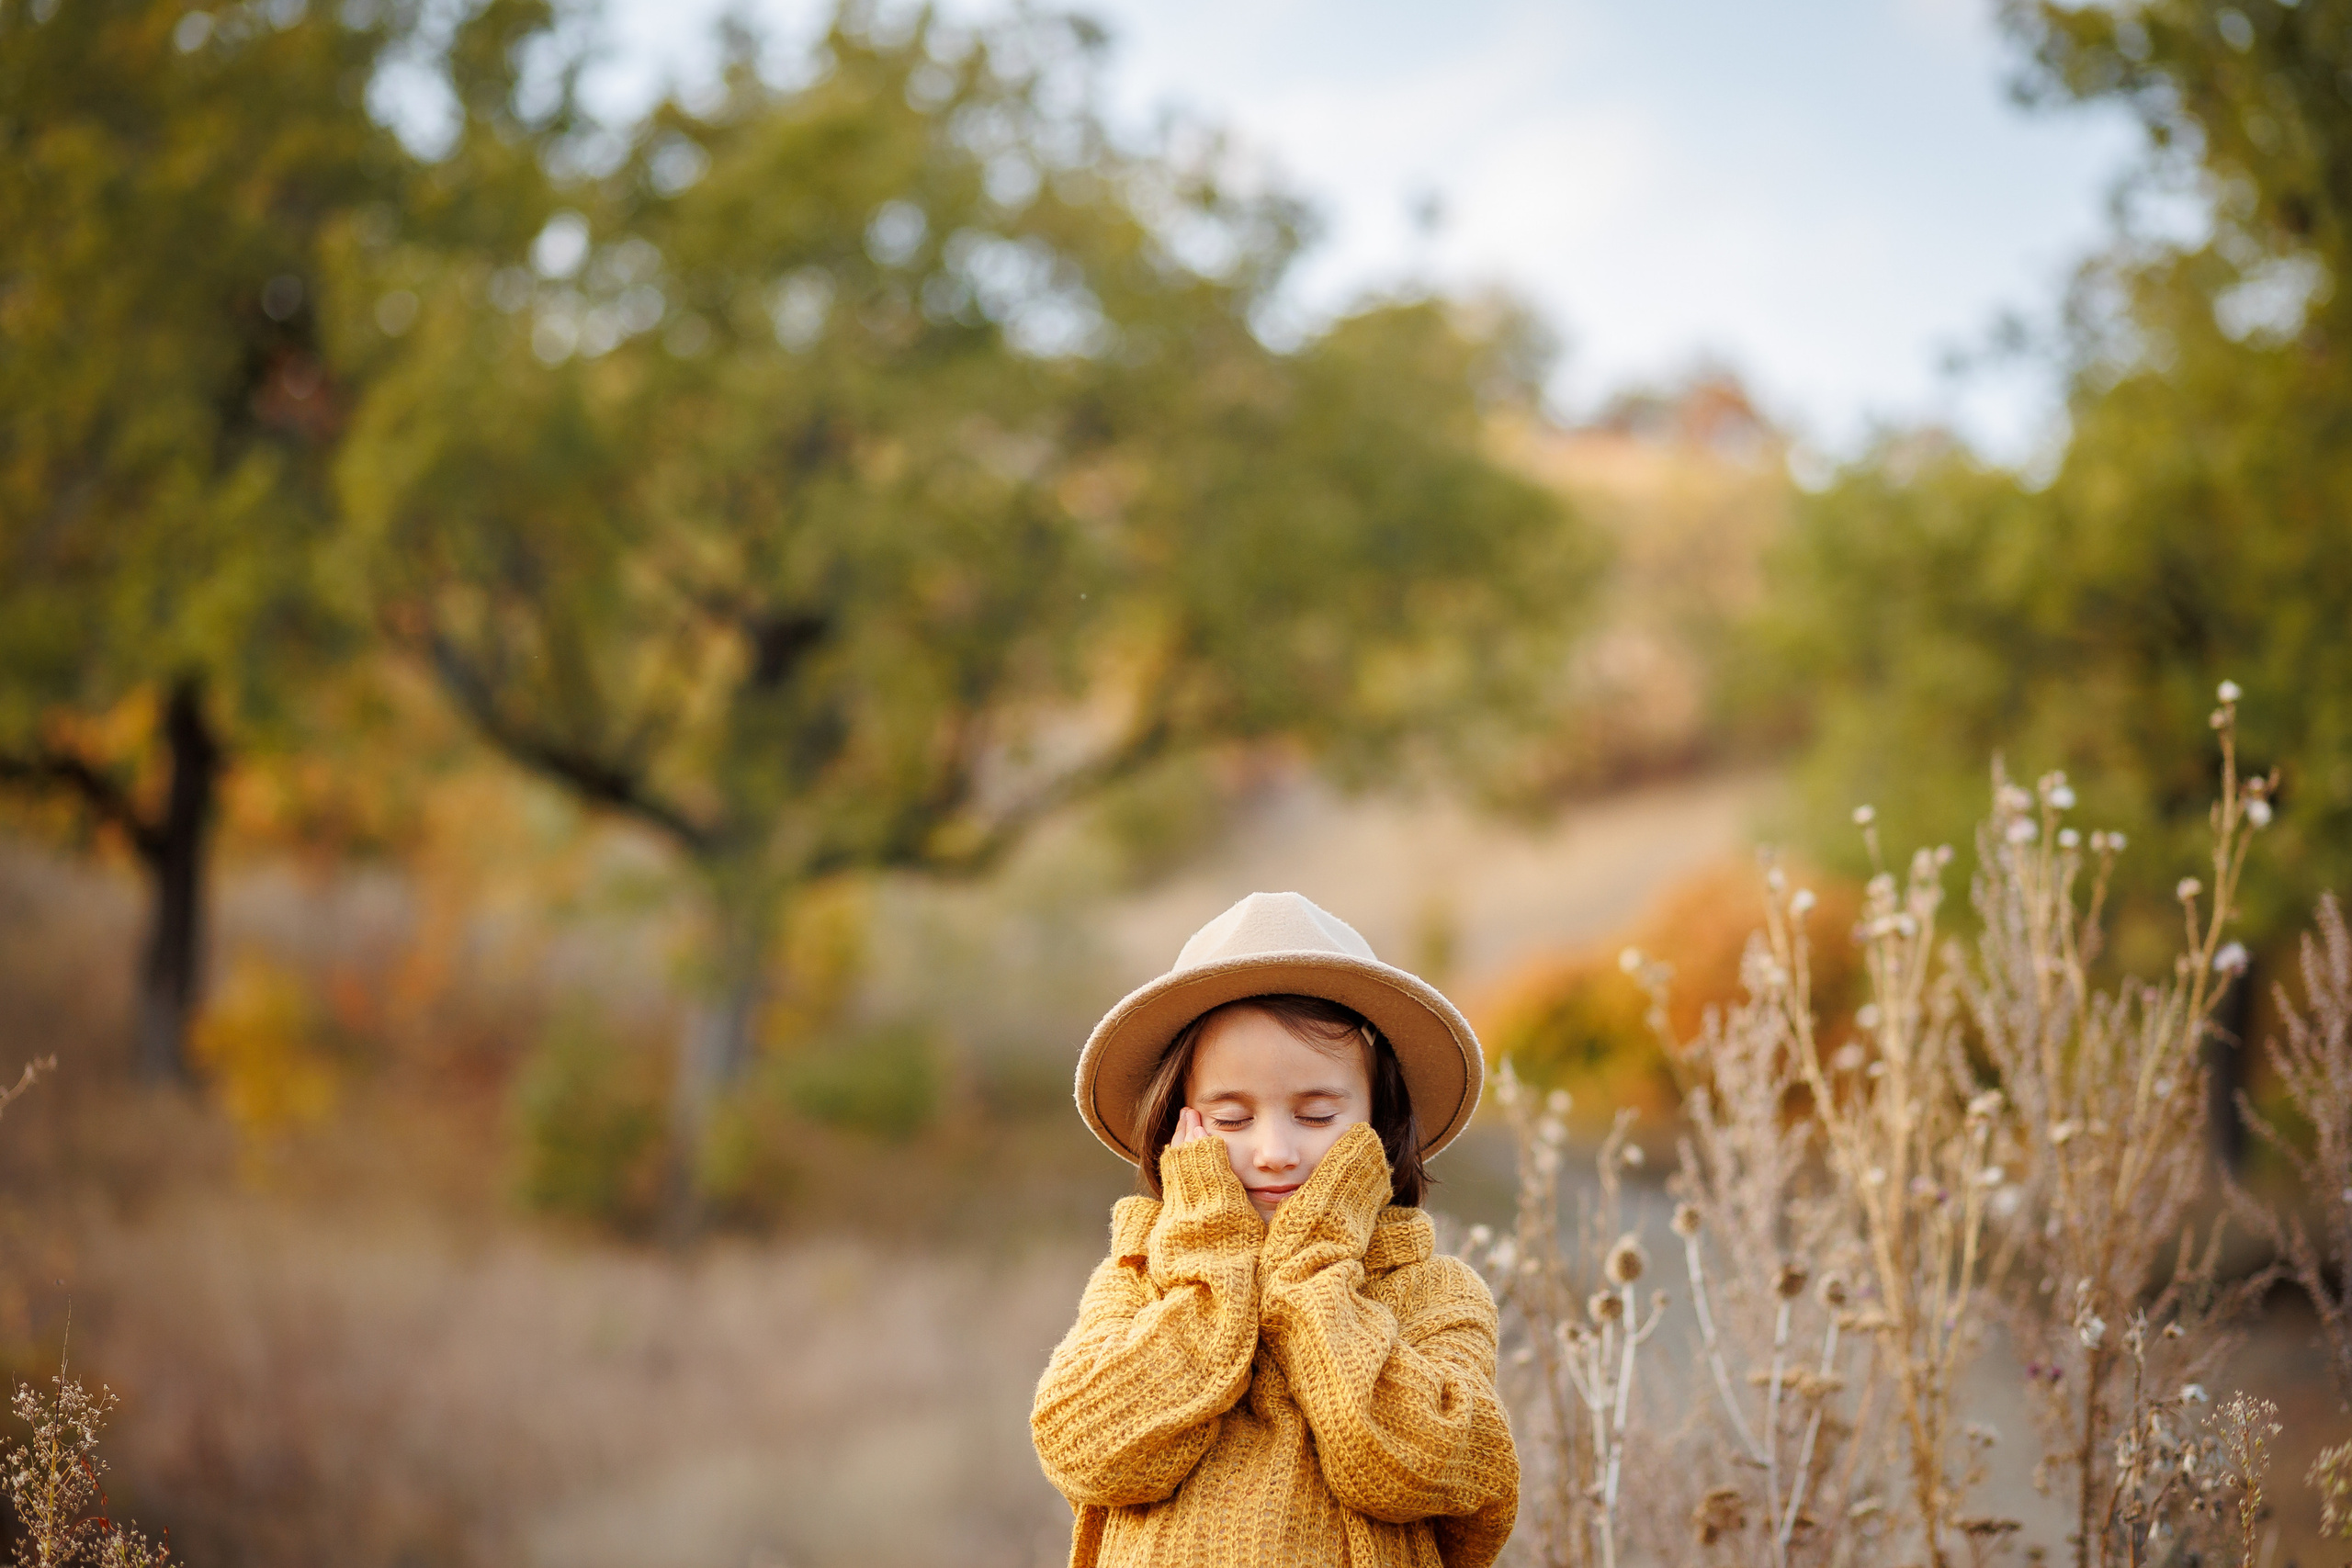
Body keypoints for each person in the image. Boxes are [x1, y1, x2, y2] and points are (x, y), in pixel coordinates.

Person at [1031, 890, 1519, 1567]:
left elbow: (1418, 1468)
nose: (1274, 1152)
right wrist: (1210, 1262)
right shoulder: (1137, 1283)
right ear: (1179, 1125)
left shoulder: (1434, 1294)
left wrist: (1314, 1265)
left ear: (1379, 1122)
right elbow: (1085, 1452)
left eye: (1316, 1115)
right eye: (1231, 1120)